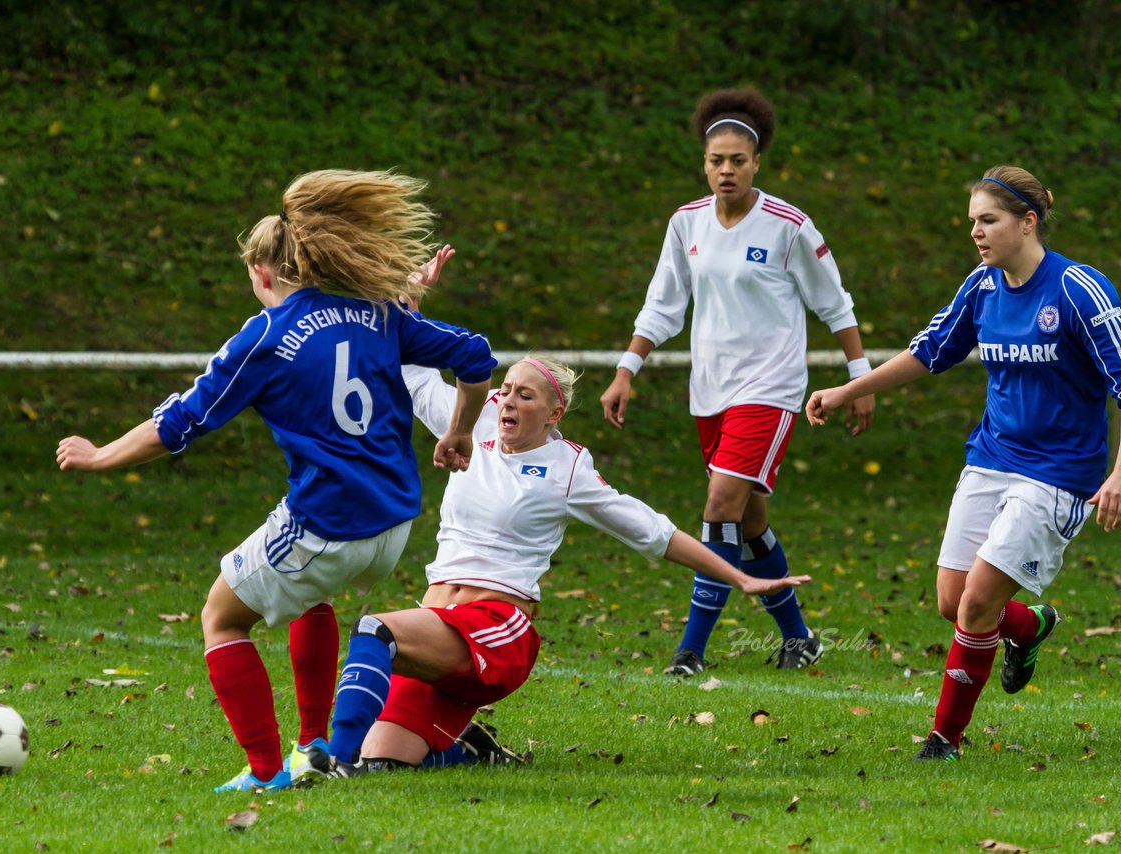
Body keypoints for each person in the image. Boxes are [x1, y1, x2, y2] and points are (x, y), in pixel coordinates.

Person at [55, 169, 498, 791]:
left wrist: (100, 455)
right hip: (395, 523)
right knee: (307, 594)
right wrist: (457, 431)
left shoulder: (265, 335)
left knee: (221, 616)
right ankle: (313, 744)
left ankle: (265, 775)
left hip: (328, 522)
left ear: (262, 274)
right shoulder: (378, 314)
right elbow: (476, 357)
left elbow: (179, 423)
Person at [317, 352, 811, 774]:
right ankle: (469, 749)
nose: (508, 400)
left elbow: (654, 532)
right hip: (436, 625)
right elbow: (416, 375)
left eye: (525, 395)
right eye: (506, 389)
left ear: (554, 413)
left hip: (495, 630)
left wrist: (739, 575)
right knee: (383, 763)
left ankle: (331, 764)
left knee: (373, 630)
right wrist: (409, 304)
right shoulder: (475, 424)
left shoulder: (568, 469)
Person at [807, 165, 1121, 761]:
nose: (977, 233)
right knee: (954, 601)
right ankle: (1027, 628)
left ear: (1028, 222)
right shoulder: (982, 287)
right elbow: (930, 351)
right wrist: (849, 390)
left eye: (989, 220)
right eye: (972, 222)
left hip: (1059, 472)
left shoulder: (1079, 290)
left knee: (977, 603)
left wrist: (1119, 475)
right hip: (992, 456)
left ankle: (943, 739)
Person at [600, 88, 875, 677]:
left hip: (770, 390)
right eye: (716, 160)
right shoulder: (685, 223)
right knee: (747, 523)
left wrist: (861, 379)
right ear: (704, 164)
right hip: (710, 391)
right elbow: (663, 305)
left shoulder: (788, 226)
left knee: (720, 504)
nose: (726, 170)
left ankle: (690, 651)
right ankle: (799, 637)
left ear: (757, 164)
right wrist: (627, 369)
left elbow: (837, 305)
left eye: (738, 160)